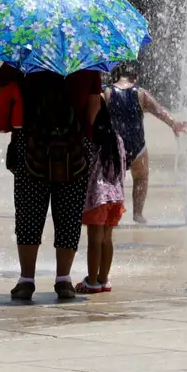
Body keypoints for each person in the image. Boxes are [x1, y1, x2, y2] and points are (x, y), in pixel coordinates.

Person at [0, 64, 102, 300]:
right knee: (69, 213)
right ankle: (63, 280)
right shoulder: (86, 56)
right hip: (75, 146)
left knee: (28, 212)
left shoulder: (21, 52)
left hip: (30, 145)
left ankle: (26, 280)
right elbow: (94, 105)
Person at [105, 67, 187, 224]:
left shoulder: (107, 93)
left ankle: (112, 215)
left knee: (113, 181)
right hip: (137, 146)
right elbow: (159, 111)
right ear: (134, 77)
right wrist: (174, 124)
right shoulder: (140, 93)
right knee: (141, 178)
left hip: (114, 147)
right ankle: (138, 214)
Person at [76, 101, 126, 294]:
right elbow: (122, 167)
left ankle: (92, 282)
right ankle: (104, 279)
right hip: (115, 195)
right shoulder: (116, 138)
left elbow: (84, 168)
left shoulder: (89, 139)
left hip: (97, 196)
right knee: (107, 238)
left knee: (94, 239)